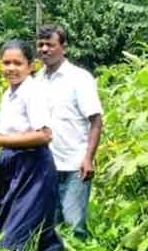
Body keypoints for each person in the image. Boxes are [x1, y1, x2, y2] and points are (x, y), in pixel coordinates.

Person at [0, 40, 64, 251]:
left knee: (15, 233)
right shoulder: (9, 93)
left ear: (30, 66)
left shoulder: (32, 92)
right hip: (12, 163)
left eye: (18, 63)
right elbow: (15, 130)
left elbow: (44, 135)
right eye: (6, 62)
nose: (11, 68)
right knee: (14, 220)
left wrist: (1, 141)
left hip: (33, 166)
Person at [35, 24, 104, 239]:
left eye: (50, 44)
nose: (44, 49)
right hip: (46, 163)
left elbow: (96, 120)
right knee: (50, 223)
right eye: (41, 44)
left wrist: (88, 158)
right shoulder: (37, 79)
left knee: (74, 224)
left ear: (63, 47)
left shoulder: (79, 78)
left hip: (75, 164)